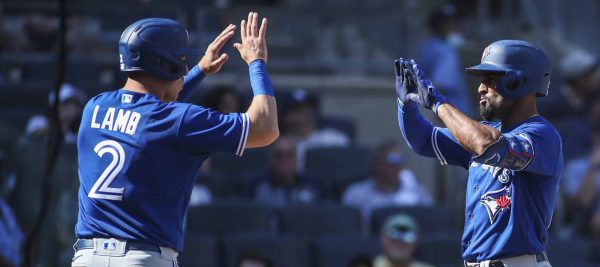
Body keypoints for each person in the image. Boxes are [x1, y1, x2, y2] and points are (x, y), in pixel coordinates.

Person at [72, 12, 278, 266]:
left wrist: (199, 72)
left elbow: (154, 116)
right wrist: (257, 63)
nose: (184, 71)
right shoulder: (178, 120)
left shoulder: (94, 107)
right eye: (180, 64)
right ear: (164, 64)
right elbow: (265, 128)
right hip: (142, 258)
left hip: (86, 257)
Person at [395, 40, 560, 266]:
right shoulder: (484, 132)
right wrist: (407, 104)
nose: (481, 88)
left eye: (491, 80)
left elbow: (487, 145)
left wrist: (437, 102)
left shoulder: (542, 135)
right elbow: (422, 140)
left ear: (519, 81)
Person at [342, 141, 432, 220]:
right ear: (376, 165)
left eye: (401, 160)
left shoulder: (417, 191)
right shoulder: (355, 194)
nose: (398, 166)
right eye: (392, 161)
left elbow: (429, 221)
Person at [417, 3, 472, 116]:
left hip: (440, 114)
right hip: (451, 117)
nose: (456, 26)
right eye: (450, 23)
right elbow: (442, 86)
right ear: (439, 26)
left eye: (456, 22)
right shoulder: (445, 52)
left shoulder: (428, 46)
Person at [281, 88, 350, 170]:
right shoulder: (280, 148)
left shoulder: (334, 139)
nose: (299, 117)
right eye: (295, 110)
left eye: (303, 110)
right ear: (285, 116)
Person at [562, 98, 600, 237]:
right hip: (589, 227)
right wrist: (594, 166)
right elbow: (583, 204)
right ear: (595, 139)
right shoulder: (577, 167)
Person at [250, 135, 320, 207]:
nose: (284, 160)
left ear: (296, 159)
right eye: (279, 155)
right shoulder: (255, 187)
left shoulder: (312, 185)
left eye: (289, 155)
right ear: (270, 159)